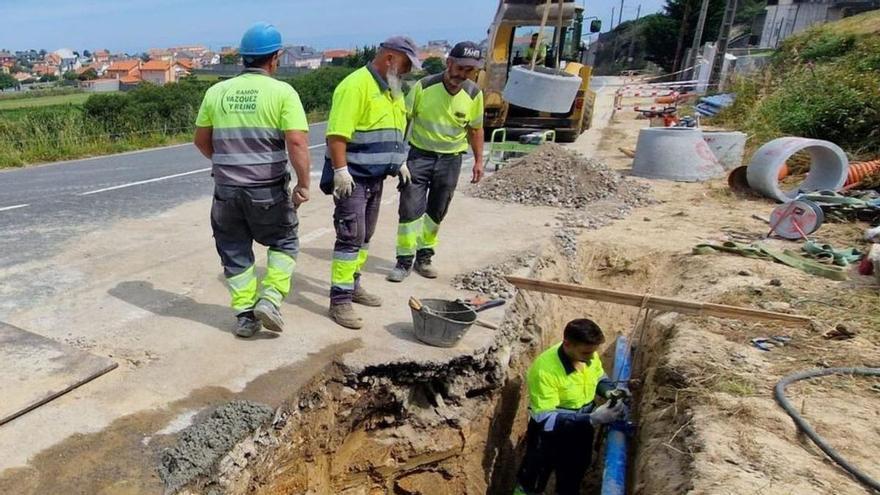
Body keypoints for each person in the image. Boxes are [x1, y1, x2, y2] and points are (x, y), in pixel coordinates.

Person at [194, 22, 311, 338]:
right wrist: (303, 184)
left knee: (234, 249)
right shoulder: (283, 92)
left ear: (243, 57)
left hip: (226, 191)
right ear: (275, 58)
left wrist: (225, 164)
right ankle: (271, 299)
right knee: (284, 240)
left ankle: (246, 317)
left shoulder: (216, 92)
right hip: (267, 191)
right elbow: (297, 143)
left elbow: (202, 140)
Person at [319, 36, 421, 329]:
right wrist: (340, 170)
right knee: (350, 236)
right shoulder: (355, 86)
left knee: (365, 237)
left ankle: (353, 285)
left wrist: (399, 160)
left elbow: (396, 129)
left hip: (376, 177)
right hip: (353, 178)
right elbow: (337, 135)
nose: (407, 71)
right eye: (405, 64)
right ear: (389, 58)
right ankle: (340, 301)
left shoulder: (394, 90)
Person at [387, 41, 485, 282]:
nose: (462, 75)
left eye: (469, 71)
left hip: (451, 162)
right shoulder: (424, 86)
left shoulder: (473, 94)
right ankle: (404, 260)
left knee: (436, 211)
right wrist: (398, 155)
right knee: (410, 209)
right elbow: (404, 119)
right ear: (449, 63)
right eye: (460, 68)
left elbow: (476, 129)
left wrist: (479, 161)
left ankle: (424, 256)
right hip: (419, 157)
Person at [514, 318, 630, 495]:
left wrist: (609, 392)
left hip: (581, 431)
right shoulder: (544, 370)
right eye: (585, 353)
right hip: (548, 436)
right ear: (567, 344)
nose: (591, 357)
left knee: (572, 478)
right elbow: (545, 418)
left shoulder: (588, 354)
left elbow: (599, 377)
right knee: (533, 479)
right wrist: (592, 418)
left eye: (593, 352)